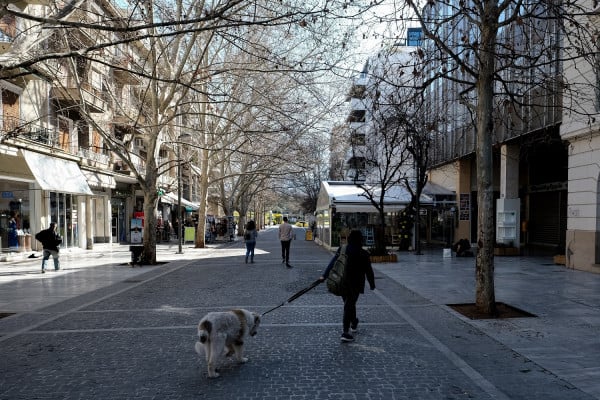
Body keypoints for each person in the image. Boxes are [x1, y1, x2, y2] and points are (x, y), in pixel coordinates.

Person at [319, 229, 375, 343]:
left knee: (349, 304)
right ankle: (345, 332)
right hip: (356, 284)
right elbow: (369, 271)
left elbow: (333, 262)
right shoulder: (364, 254)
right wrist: (372, 284)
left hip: (342, 281)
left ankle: (354, 322)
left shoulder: (343, 249)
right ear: (360, 240)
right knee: (349, 305)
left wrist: (324, 275)